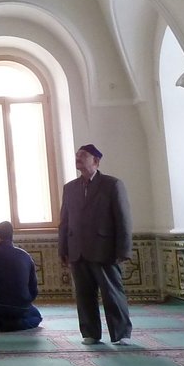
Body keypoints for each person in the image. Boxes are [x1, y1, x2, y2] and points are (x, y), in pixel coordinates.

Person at [58, 142, 133, 344]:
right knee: (84, 295)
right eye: (77, 155)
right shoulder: (70, 188)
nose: (78, 158)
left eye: (83, 155)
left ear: (96, 161)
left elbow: (123, 219)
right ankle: (90, 333)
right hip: (77, 251)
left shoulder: (112, 184)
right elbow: (64, 221)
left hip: (104, 250)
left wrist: (124, 250)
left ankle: (121, 334)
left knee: (112, 294)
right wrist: (63, 249)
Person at [0, 221, 42, 331]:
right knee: (36, 317)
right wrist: (24, 302)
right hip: (19, 308)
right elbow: (33, 288)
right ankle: (17, 323)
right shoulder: (25, 256)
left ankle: (2, 324)